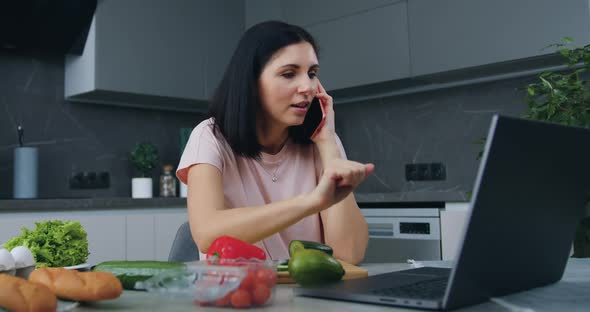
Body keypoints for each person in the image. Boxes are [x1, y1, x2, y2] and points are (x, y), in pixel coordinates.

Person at [176, 21, 374, 264]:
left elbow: (348, 255)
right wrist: (311, 202)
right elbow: (207, 234)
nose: (307, 87)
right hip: (240, 294)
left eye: (312, 74)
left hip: (310, 298)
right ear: (252, 82)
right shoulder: (210, 137)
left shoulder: (322, 143)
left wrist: (329, 147)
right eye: (289, 74)